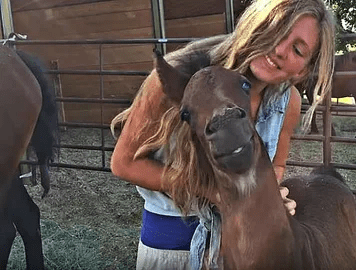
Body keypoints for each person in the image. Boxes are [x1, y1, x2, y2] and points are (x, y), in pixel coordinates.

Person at [110, 0, 335, 268]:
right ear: (254, 24)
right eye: (275, 30)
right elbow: (123, 164)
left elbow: (276, 165)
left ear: (303, 70)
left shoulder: (288, 104)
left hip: (243, 250)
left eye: (297, 49)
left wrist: (272, 198)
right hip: (172, 244)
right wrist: (212, 191)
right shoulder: (178, 74)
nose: (279, 50)